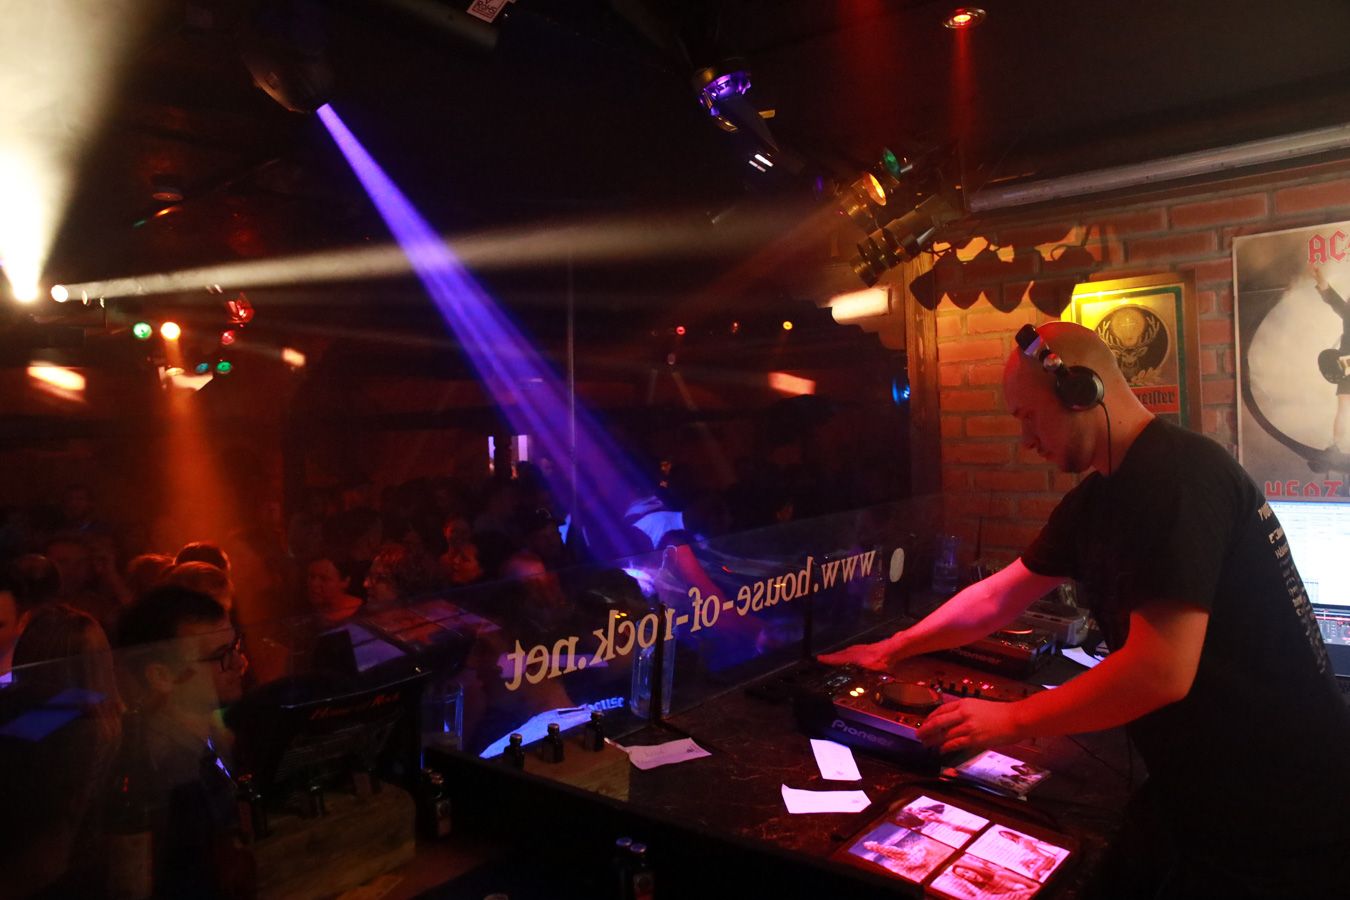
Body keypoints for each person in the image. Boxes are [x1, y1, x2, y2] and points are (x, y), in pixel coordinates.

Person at [821, 321, 1350, 898]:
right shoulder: (1101, 497)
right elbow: (1000, 594)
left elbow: (1160, 671)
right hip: (1207, 782)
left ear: (1081, 391)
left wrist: (1010, 720)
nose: (1025, 439)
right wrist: (892, 649)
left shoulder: (1176, 477)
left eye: (1028, 416)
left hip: (1280, 805)